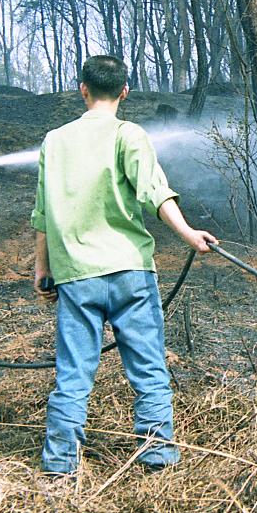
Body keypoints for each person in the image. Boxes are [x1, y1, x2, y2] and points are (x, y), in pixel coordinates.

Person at [31, 55, 216, 474]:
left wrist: (41, 269)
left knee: (73, 374)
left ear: (82, 89)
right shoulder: (128, 134)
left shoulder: (54, 140)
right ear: (124, 92)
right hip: (130, 272)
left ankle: (60, 465)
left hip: (77, 276)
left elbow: (42, 213)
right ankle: (156, 458)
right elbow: (155, 191)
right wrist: (189, 234)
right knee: (149, 370)